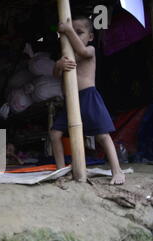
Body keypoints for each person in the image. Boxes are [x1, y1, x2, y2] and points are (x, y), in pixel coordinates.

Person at [50, 16, 125, 185]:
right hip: (70, 100)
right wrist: (58, 65)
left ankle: (117, 171)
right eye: (72, 32)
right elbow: (55, 75)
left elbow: (83, 52)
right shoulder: (66, 55)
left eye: (79, 33)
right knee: (55, 133)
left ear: (90, 36)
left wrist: (68, 30)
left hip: (88, 96)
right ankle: (61, 171)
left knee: (102, 136)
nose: (74, 36)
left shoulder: (90, 50)